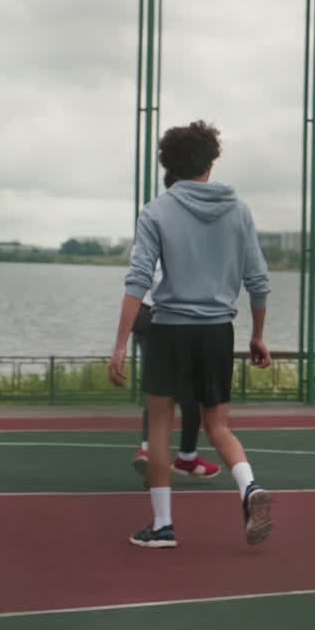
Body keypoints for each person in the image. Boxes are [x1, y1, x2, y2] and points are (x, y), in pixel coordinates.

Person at [108, 120, 274, 548]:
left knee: (160, 426)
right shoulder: (239, 211)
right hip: (218, 331)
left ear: (169, 164)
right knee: (218, 425)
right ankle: (250, 488)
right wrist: (258, 334)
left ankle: (163, 526)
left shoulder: (156, 211)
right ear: (211, 161)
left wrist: (121, 343)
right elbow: (258, 280)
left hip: (170, 331)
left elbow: (138, 281)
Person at [131, 170, 222, 483]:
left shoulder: (152, 214)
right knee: (190, 395)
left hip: (143, 313)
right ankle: (185, 457)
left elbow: (139, 273)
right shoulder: (185, 223)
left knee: (159, 392)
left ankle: (148, 449)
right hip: (169, 316)